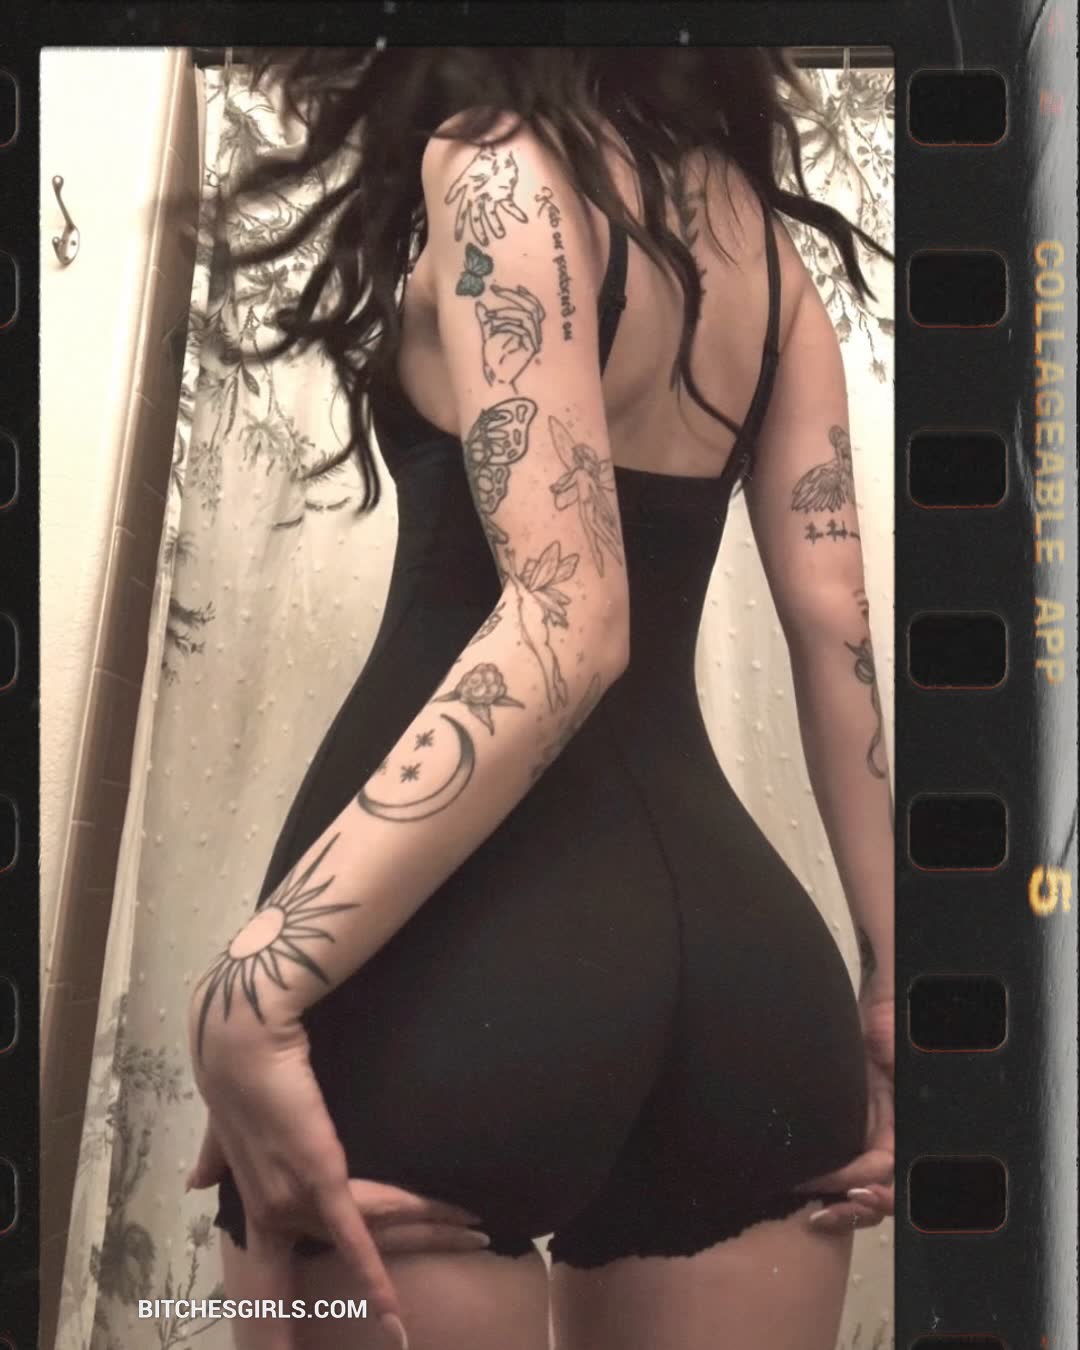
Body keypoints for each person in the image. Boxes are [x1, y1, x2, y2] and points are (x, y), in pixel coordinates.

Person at [182, 46, 896, 1350]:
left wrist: (255, 983)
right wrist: (901, 993)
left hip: (454, 961)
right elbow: (835, 620)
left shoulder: (498, 164)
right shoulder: (761, 245)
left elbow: (570, 618)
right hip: (747, 985)